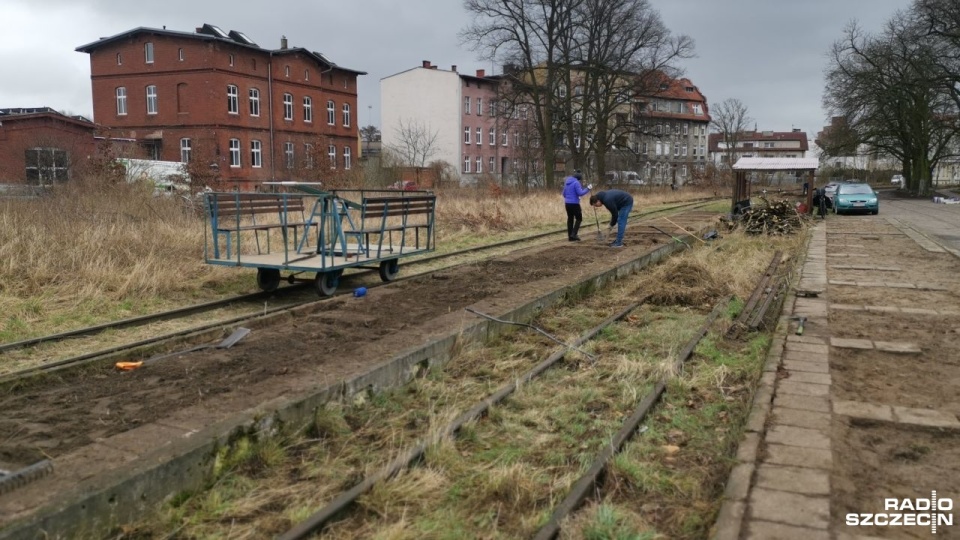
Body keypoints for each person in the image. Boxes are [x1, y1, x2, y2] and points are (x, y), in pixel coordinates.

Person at [562, 170, 592, 241]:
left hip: (567, 204)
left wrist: (570, 197)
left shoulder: (567, 182)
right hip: (575, 204)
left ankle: (570, 237)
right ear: (578, 178)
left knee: (570, 219)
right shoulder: (576, 183)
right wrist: (588, 188)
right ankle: (574, 234)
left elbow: (564, 194)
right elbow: (580, 193)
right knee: (579, 218)